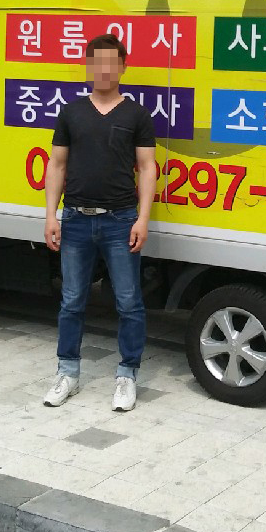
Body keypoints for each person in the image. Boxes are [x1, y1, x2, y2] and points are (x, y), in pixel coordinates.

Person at [42, 33, 158, 412]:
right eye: (98, 62)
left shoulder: (136, 115)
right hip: (76, 219)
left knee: (128, 302)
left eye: (112, 62)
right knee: (72, 301)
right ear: (89, 66)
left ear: (123, 67)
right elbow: (57, 165)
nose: (105, 69)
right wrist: (51, 215)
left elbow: (147, 168)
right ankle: (67, 373)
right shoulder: (71, 112)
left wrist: (142, 219)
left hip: (121, 221)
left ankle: (127, 375)